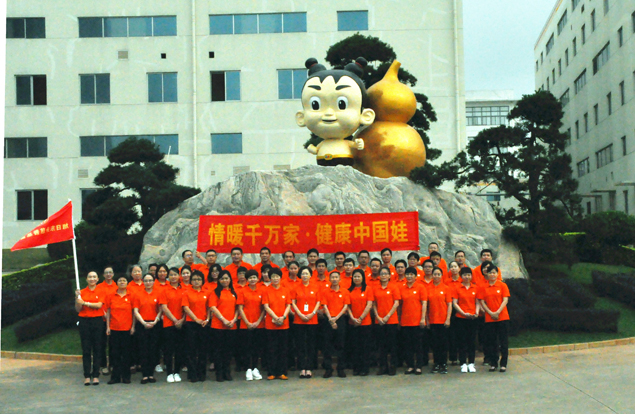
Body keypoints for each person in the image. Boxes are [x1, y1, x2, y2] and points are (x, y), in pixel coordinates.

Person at [209, 270, 241, 382]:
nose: (224, 280)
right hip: (218, 326)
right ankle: (219, 373)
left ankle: (227, 372)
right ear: (219, 280)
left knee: (228, 351)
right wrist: (223, 319)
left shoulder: (234, 292)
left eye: (226, 278)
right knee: (218, 351)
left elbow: (238, 308)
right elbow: (213, 307)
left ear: (230, 280)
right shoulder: (215, 292)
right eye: (222, 278)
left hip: (231, 325)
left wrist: (233, 320)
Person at [478, 264, 510, 372]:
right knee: (492, 341)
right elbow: (482, 301)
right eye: (490, 272)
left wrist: (497, 312)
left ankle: (503, 364)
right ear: (487, 274)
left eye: (494, 272)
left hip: (502, 317)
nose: (492, 274)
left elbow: (505, 300)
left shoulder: (502, 285)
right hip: (489, 318)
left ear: (497, 274)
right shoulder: (484, 287)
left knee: (503, 341)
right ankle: (493, 363)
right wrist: (490, 313)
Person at [291, 266, 321, 379]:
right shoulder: (296, 287)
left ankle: (309, 368)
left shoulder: (315, 287)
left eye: (306, 273)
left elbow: (318, 302)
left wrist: (312, 313)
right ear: (300, 275)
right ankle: (302, 368)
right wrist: (299, 314)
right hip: (299, 320)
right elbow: (293, 302)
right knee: (300, 345)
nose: (304, 276)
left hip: (312, 320)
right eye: (303, 274)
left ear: (310, 275)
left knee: (311, 345)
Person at [76, 271, 106, 386]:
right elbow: (78, 309)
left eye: (94, 277)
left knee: (97, 348)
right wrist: (77, 298)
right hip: (84, 321)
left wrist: (85, 303)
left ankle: (96, 375)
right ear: (86, 279)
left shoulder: (101, 291)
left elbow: (99, 305)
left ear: (97, 279)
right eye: (90, 277)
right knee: (86, 349)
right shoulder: (82, 292)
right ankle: (87, 375)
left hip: (97, 321)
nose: (92, 279)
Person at [104, 274, 135, 384]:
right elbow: (108, 311)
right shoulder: (111, 295)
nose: (122, 282)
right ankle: (115, 377)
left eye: (124, 280)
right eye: (120, 280)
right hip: (114, 328)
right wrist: (108, 327)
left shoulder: (131, 295)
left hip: (127, 329)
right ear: (116, 283)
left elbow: (134, 312)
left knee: (126, 354)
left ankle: (126, 376)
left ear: (127, 283)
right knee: (114, 354)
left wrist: (133, 326)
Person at [133, 274, 163, 384]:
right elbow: (136, 311)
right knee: (143, 349)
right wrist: (143, 323)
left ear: (154, 282)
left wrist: (155, 321)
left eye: (150, 280)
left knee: (153, 349)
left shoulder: (158, 293)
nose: (148, 283)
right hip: (142, 324)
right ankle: (145, 374)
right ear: (143, 282)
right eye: (146, 280)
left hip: (155, 324)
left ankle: (151, 373)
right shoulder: (138, 294)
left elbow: (161, 309)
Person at [262, 268, 292, 380]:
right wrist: (275, 317)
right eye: (273, 276)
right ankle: (271, 372)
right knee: (271, 349)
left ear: (280, 277)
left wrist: (283, 317)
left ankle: (282, 372)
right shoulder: (266, 290)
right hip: (271, 324)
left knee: (283, 349)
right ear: (270, 278)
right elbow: (266, 306)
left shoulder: (285, 290)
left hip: (284, 324)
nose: (275, 278)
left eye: (277, 276)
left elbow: (288, 305)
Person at [237, 270, 265, 381]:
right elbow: (240, 308)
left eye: (254, 277)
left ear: (258, 279)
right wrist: (247, 322)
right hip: (245, 324)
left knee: (257, 347)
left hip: (259, 324)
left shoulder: (262, 291)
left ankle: (255, 368)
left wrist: (258, 321)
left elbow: (263, 308)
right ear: (247, 279)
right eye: (250, 278)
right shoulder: (242, 291)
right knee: (246, 347)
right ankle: (248, 368)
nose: (252, 279)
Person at [322, 271, 351, 378]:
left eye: (336, 277)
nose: (334, 279)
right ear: (329, 279)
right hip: (328, 319)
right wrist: (330, 319)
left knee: (341, 344)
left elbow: (345, 306)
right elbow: (324, 306)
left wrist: (336, 318)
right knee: (327, 345)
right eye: (332, 277)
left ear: (340, 279)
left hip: (340, 319)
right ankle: (328, 369)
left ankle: (341, 368)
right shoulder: (325, 291)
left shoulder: (344, 291)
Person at [182, 270, 210, 382]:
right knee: (191, 350)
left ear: (202, 281)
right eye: (194, 279)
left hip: (204, 324)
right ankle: (192, 374)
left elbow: (209, 307)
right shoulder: (187, 292)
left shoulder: (206, 292)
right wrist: (196, 319)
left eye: (199, 279)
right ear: (191, 281)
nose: (196, 281)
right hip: (191, 324)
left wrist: (207, 319)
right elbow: (186, 308)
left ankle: (201, 373)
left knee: (203, 350)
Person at [160, 267, 186, 383]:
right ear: (168, 277)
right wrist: (175, 320)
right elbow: (164, 307)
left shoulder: (184, 290)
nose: (173, 277)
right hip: (169, 323)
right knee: (169, 349)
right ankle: (170, 373)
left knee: (180, 349)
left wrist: (182, 320)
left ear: (179, 276)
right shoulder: (165, 290)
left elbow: (187, 307)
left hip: (182, 323)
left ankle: (177, 372)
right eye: (171, 275)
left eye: (175, 274)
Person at [399, 267, 427, 375]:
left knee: (418, 345)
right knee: (407, 345)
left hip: (417, 321)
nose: (409, 276)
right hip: (405, 321)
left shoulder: (420, 287)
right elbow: (400, 305)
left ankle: (419, 366)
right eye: (407, 274)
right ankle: (410, 366)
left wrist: (423, 318)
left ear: (416, 276)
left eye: (411, 274)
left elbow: (424, 303)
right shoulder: (402, 288)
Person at [373, 267, 400, 375]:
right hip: (379, 320)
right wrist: (378, 317)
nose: (383, 275)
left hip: (391, 320)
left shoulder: (393, 287)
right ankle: (383, 366)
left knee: (392, 344)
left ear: (389, 276)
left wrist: (388, 316)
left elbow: (396, 303)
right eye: (382, 274)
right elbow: (373, 304)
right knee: (381, 345)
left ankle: (393, 366)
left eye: (385, 274)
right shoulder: (376, 288)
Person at [452, 267, 480, 373]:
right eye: (464, 275)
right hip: (461, 318)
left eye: (469, 275)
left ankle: (471, 363)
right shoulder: (457, 288)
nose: (467, 277)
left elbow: (477, 302)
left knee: (471, 341)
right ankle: (463, 363)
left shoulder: (475, 288)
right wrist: (463, 313)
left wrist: (476, 312)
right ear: (461, 276)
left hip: (473, 318)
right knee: (462, 341)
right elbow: (455, 303)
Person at [347, 269, 374, 376]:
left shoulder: (368, 289)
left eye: (358, 276)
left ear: (363, 278)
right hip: (352, 322)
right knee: (355, 346)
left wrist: (361, 318)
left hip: (365, 323)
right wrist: (353, 318)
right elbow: (347, 306)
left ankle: (365, 368)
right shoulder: (349, 290)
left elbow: (369, 305)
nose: (357, 278)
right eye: (355, 276)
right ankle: (356, 367)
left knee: (365, 346)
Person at [427, 267, 452, 374]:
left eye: (438, 274)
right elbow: (426, 306)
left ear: (442, 276)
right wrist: (427, 320)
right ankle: (436, 363)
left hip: (443, 320)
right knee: (434, 344)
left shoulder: (446, 288)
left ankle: (444, 364)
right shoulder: (428, 288)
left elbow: (449, 305)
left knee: (443, 344)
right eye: (435, 274)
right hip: (432, 320)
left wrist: (448, 319)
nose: (436, 276)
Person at [98, 266, 117, 376]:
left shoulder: (117, 286)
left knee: (113, 343)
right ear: (103, 275)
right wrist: (103, 313)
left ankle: (113, 364)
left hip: (114, 319)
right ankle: (103, 365)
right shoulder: (99, 287)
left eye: (110, 272)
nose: (108, 274)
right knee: (102, 343)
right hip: (102, 318)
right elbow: (97, 301)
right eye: (106, 273)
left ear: (113, 274)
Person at [445, 261, 463, 366]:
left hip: (461, 308)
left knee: (461, 334)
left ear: (459, 268)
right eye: (451, 267)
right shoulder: (446, 282)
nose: (453, 268)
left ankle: (462, 357)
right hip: (450, 309)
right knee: (451, 335)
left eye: (455, 266)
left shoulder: (463, 280)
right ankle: (453, 357)